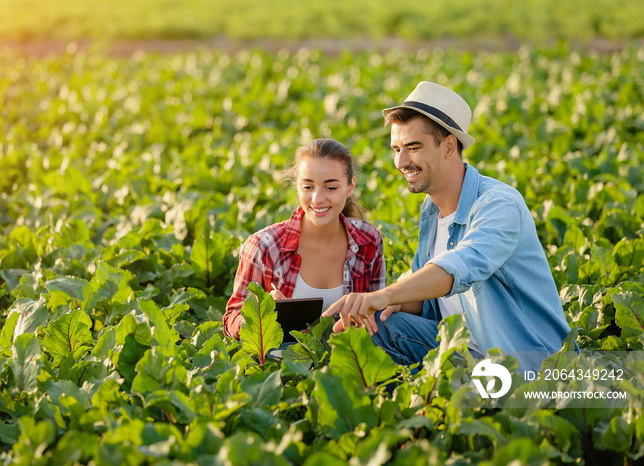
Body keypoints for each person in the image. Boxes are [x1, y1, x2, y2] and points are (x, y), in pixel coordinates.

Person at [323, 81, 572, 372]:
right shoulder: (432, 212)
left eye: (413, 147)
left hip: (521, 365)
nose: (401, 161)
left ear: (449, 146)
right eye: (396, 149)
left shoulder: (499, 205)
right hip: (462, 353)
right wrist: (393, 301)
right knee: (373, 325)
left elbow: (460, 266)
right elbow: (429, 302)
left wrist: (384, 295)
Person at [223, 138, 386, 340]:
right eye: (308, 187)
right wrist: (261, 315)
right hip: (282, 364)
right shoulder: (262, 246)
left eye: (331, 187)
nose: (317, 198)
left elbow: (379, 312)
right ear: (297, 186)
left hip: (350, 362)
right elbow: (232, 319)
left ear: (350, 186)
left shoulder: (368, 240)